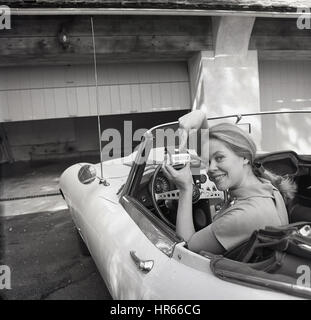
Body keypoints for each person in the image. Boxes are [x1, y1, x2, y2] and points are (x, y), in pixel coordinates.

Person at [162, 110, 296, 254]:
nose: (210, 168)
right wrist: (201, 119)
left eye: (219, 158)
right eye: (207, 161)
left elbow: (185, 251)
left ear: (244, 157)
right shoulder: (267, 187)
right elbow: (208, 148)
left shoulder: (243, 216)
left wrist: (185, 189)